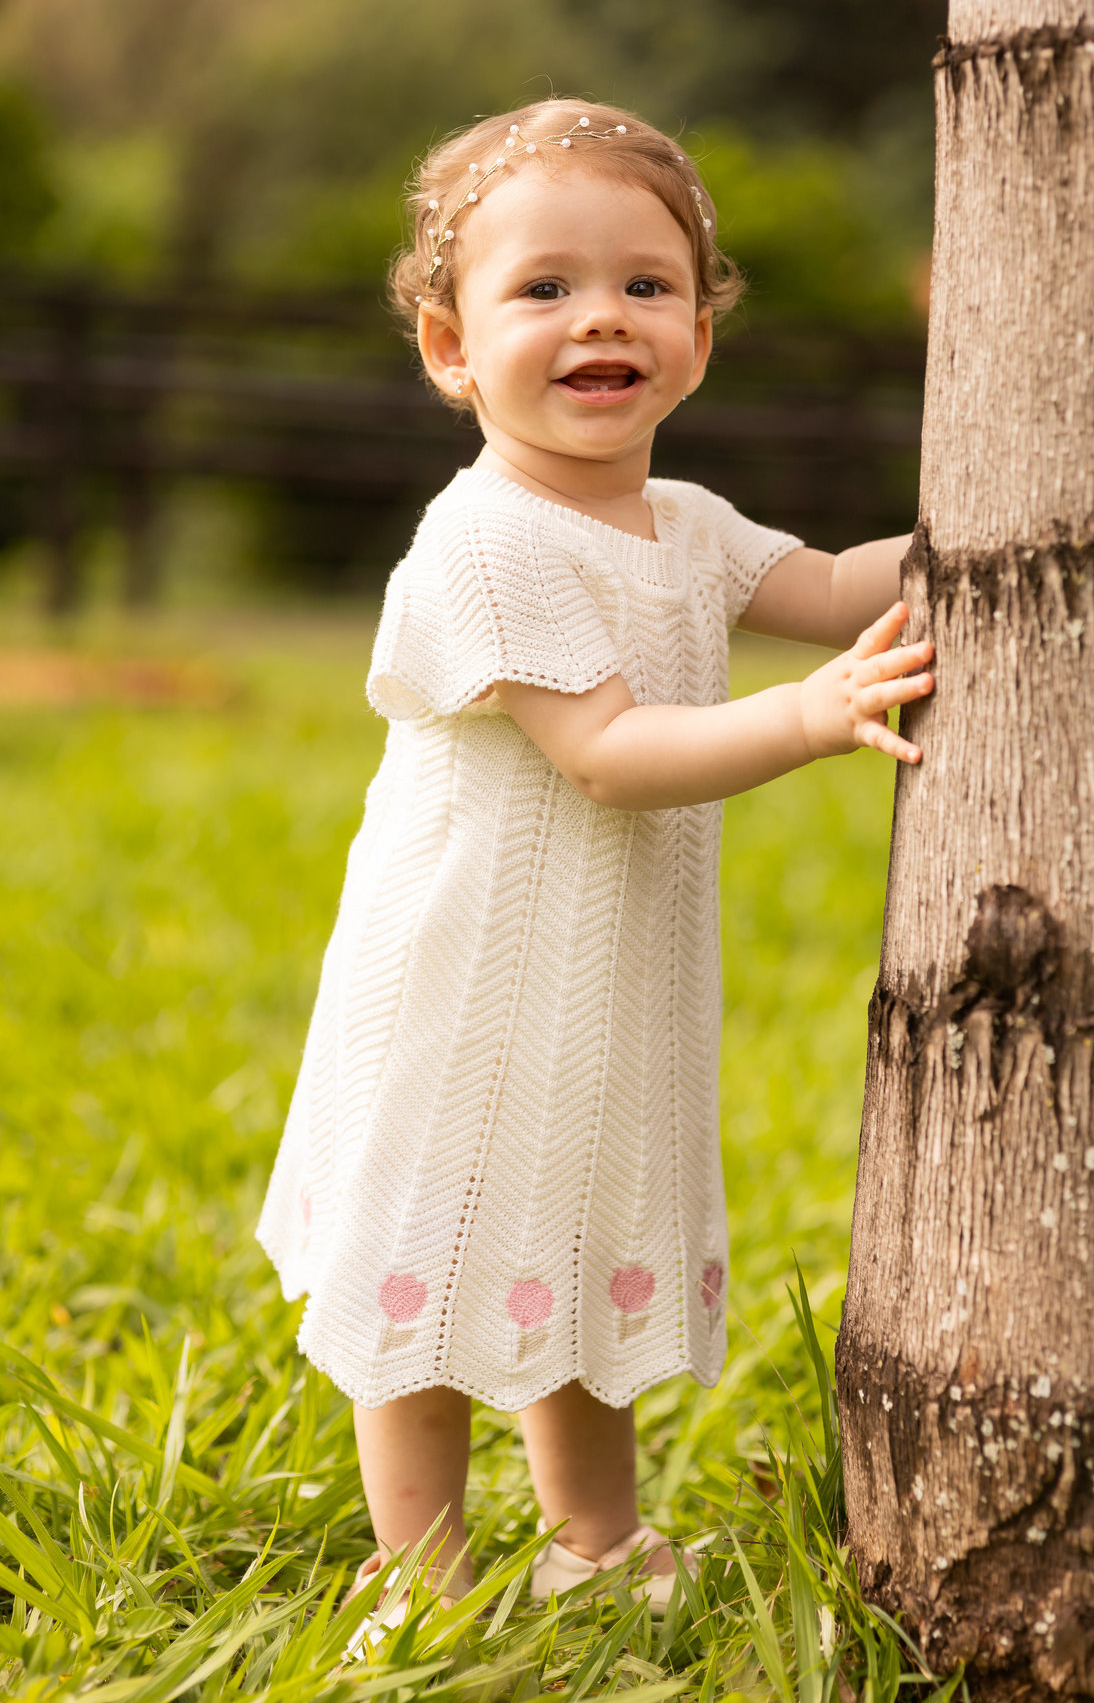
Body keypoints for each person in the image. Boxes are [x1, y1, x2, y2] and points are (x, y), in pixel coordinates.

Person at [256, 98, 934, 1632]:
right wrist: (813, 719)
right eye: (542, 288)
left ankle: (594, 1540)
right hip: (462, 973)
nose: (599, 319)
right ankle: (418, 1570)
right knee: (428, 1271)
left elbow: (829, 584)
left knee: (576, 1239)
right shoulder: (484, 540)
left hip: (602, 977)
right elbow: (609, 754)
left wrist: (984, 539)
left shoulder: (683, 523)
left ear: (699, 333)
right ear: (450, 347)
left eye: (644, 284)